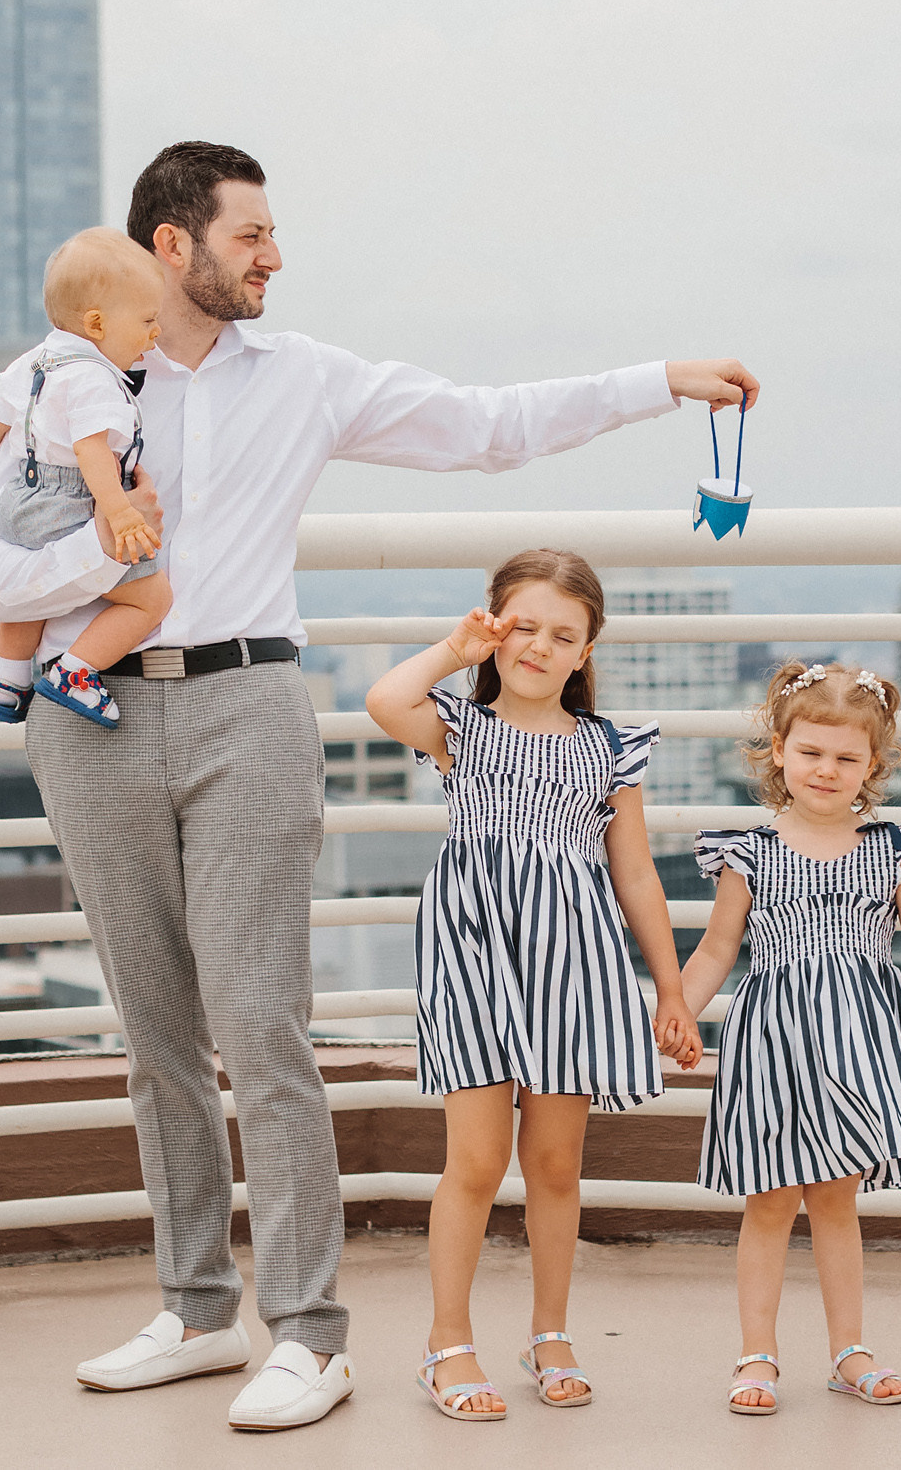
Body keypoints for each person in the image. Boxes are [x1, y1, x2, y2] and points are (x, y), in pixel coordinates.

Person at [0, 140, 759, 1434]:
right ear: (174, 244)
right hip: (84, 700)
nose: (274, 254)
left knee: (261, 1021)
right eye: (251, 234)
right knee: (153, 1029)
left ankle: (309, 1332)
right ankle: (197, 1306)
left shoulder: (309, 377)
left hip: (248, 705)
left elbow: (491, 428)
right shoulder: (78, 370)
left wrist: (660, 382)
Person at [365, 548, 702, 1421]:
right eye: (523, 626)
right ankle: (448, 1341)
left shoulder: (608, 747)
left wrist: (668, 988)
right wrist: (455, 648)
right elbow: (383, 700)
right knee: (475, 1160)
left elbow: (635, 875)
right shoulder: (459, 726)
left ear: (586, 652)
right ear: (493, 625)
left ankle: (550, 1331)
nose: (541, 646)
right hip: (472, 950)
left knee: (555, 1162)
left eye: (564, 634)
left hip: (572, 961)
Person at [681, 660, 901, 1417]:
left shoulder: (894, 847)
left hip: (858, 1040)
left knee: (838, 1199)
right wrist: (678, 1010)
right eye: (811, 751)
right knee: (771, 1200)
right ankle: (757, 1354)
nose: (827, 769)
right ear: (778, 748)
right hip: (774, 1041)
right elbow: (718, 949)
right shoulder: (747, 852)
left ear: (872, 765)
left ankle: (850, 1350)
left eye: (847, 757)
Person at [0, 228, 170, 729]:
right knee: (152, 599)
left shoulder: (30, 362)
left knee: (34, 595)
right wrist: (121, 513)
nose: (156, 333)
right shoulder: (94, 377)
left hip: (24, 498)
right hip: (75, 502)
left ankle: (8, 679)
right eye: (147, 321)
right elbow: (91, 451)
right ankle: (77, 673)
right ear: (97, 323)